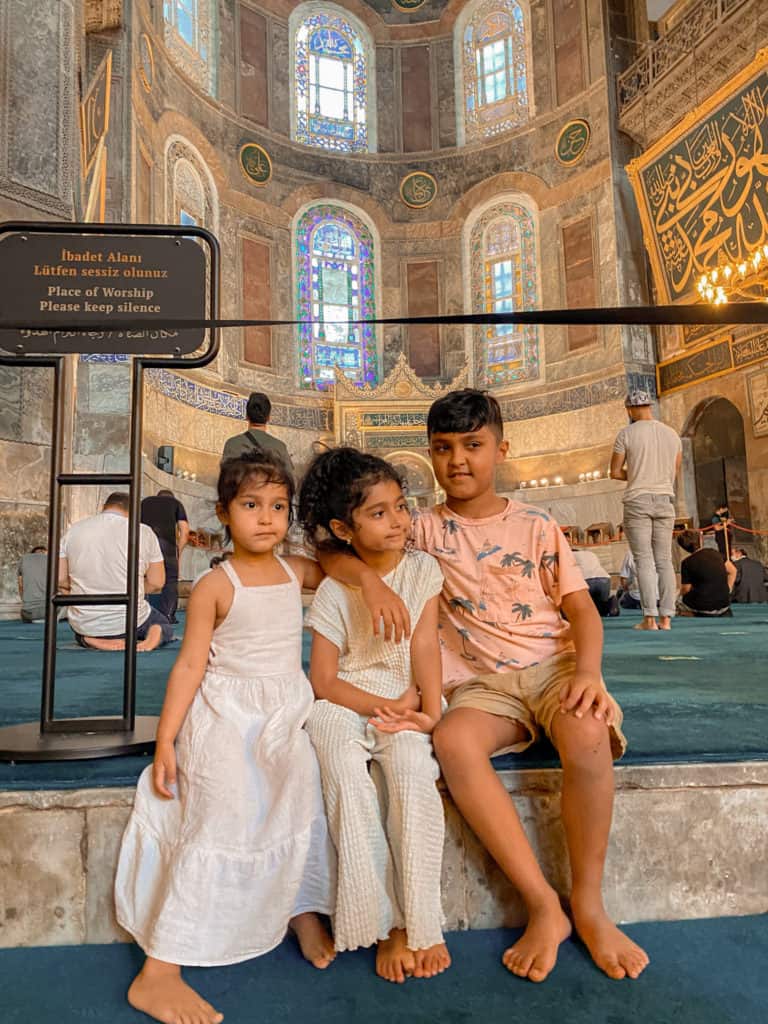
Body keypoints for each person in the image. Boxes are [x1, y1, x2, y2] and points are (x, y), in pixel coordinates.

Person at [317, 390, 648, 984]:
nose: (458, 461)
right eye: (443, 449)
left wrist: (589, 674)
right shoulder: (417, 529)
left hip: (554, 668)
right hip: (480, 685)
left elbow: (583, 611)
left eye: (473, 445)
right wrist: (369, 582)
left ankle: (591, 906)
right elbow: (329, 551)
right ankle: (544, 905)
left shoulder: (537, 525)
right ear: (430, 454)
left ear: (501, 448)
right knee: (453, 741)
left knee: (588, 736)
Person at [115, 450, 336, 1024]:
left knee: (299, 798)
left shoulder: (298, 570)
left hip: (284, 712)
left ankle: (298, 903)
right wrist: (166, 741)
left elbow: (349, 567)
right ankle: (158, 970)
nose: (267, 518)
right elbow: (189, 666)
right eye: (251, 505)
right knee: (220, 811)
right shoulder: (218, 583)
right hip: (226, 714)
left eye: (279, 507)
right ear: (223, 513)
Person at [298, 448, 449, 985]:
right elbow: (323, 681)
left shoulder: (423, 570)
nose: (399, 521)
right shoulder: (337, 588)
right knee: (341, 771)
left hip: (405, 697)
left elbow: (426, 646)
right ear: (344, 528)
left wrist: (428, 712)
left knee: (410, 771)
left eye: (401, 508)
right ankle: (377, 922)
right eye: (379, 513)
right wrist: (379, 708)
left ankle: (416, 922)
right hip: (344, 702)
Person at [59, 493, 174, 651]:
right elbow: (156, 583)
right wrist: (134, 588)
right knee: (162, 624)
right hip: (132, 620)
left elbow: (59, 580)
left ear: (104, 508)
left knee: (81, 628)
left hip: (87, 621)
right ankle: (150, 640)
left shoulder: (73, 531)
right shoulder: (143, 531)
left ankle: (89, 639)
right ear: (133, 511)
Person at [610, 389, 682, 632]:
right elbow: (674, 472)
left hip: (638, 500)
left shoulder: (626, 434)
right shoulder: (672, 435)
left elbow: (615, 472)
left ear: (630, 409)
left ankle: (649, 619)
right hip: (664, 500)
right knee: (664, 560)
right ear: (649, 406)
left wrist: (638, 474)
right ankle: (667, 619)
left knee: (643, 560)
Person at [141, 489, 190, 623]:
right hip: (166, 547)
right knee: (170, 580)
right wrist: (178, 551)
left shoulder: (144, 502)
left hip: (145, 545)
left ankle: (142, 615)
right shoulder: (175, 503)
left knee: (141, 579)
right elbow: (184, 531)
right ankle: (168, 616)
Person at [222, 391, 294, 471]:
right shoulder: (280, 448)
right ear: (269, 417)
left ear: (246, 416)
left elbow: (224, 479)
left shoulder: (232, 444)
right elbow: (291, 480)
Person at [675, 530, 736, 617]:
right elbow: (733, 571)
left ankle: (692, 613)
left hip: (702, 605)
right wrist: (728, 590)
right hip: (724, 604)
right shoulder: (716, 553)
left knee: (678, 600)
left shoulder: (686, 562)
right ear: (700, 540)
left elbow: (686, 589)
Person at [571, 548, 617, 617]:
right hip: (604, 579)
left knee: (584, 607)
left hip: (586, 580)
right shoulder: (591, 554)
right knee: (601, 606)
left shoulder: (570, 555)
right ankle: (610, 604)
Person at [17, 545, 47, 622]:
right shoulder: (51, 559)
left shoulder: (23, 559)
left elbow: (20, 585)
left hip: (28, 614)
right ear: (44, 552)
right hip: (50, 613)